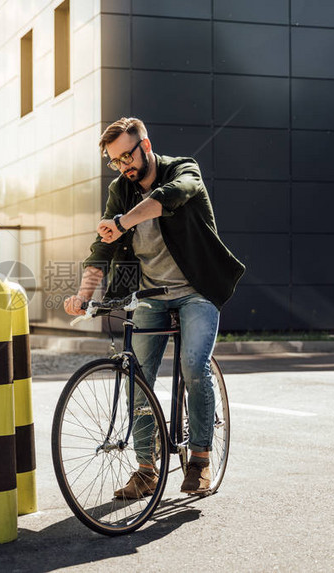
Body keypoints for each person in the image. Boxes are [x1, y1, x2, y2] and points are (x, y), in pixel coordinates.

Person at [64, 117, 245, 497]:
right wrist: (83, 296)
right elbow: (104, 246)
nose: (123, 166)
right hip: (150, 296)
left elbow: (169, 198)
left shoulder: (184, 169)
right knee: (136, 377)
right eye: (115, 161)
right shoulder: (120, 189)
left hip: (197, 290)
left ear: (145, 146)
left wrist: (122, 221)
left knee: (194, 366)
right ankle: (146, 469)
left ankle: (199, 460)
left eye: (127, 156)